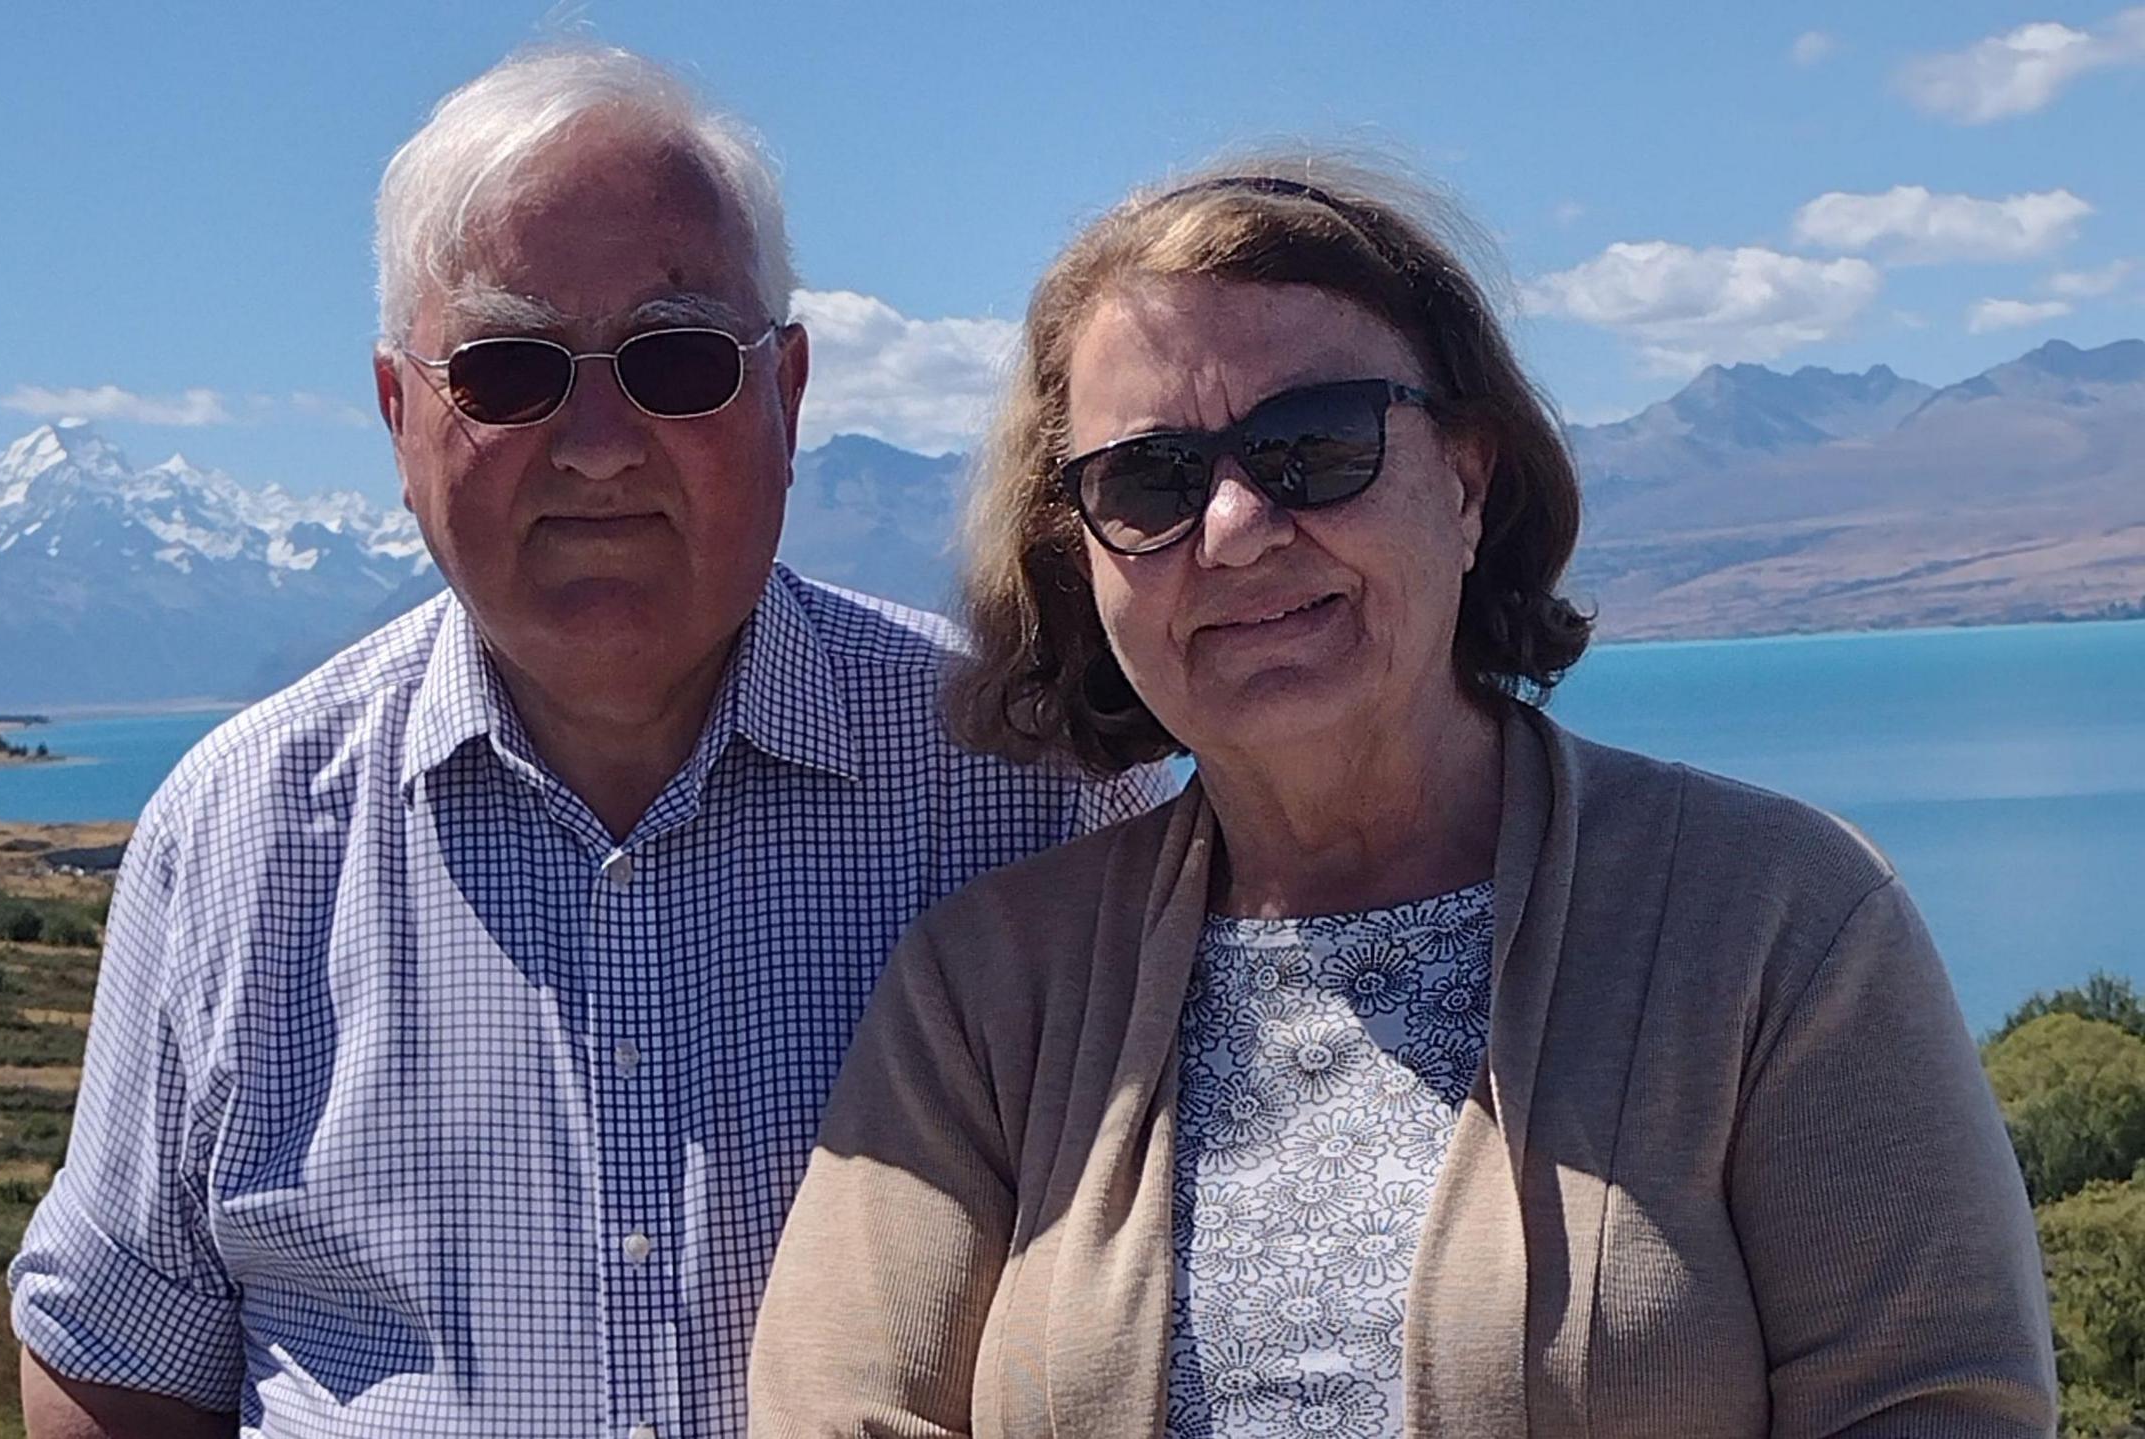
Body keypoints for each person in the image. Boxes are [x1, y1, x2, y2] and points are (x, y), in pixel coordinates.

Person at [748, 157, 2055, 1437]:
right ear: (1078, 552)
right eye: (1151, 480)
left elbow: (1937, 1404)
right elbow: (838, 1408)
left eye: (1316, 445)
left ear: (1468, 483)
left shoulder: (1776, 924)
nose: (1238, 528)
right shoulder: (991, 994)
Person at [7, 47, 1163, 1439]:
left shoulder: (1029, 793)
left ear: (787, 395)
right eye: (510, 372)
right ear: (397, 416)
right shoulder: (239, 834)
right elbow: (116, 1364)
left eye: (676, 361)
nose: (600, 443)